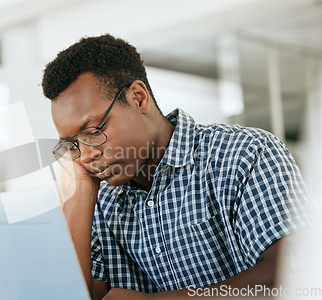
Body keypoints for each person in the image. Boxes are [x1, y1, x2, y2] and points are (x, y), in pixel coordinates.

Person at [41, 34, 311, 300]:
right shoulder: (100, 204)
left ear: (138, 97)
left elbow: (292, 273)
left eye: (92, 130)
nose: (86, 155)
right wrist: (80, 191)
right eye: (71, 143)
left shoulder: (244, 153)